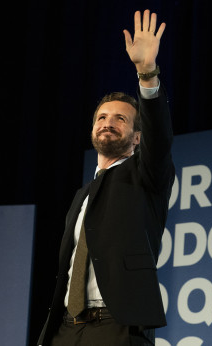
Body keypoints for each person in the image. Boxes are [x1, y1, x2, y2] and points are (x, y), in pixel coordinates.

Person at [38, 9, 174, 346]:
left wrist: (147, 74)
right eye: (101, 117)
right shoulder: (83, 194)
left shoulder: (146, 176)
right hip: (65, 328)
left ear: (137, 137)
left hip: (115, 327)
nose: (107, 123)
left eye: (120, 119)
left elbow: (159, 135)